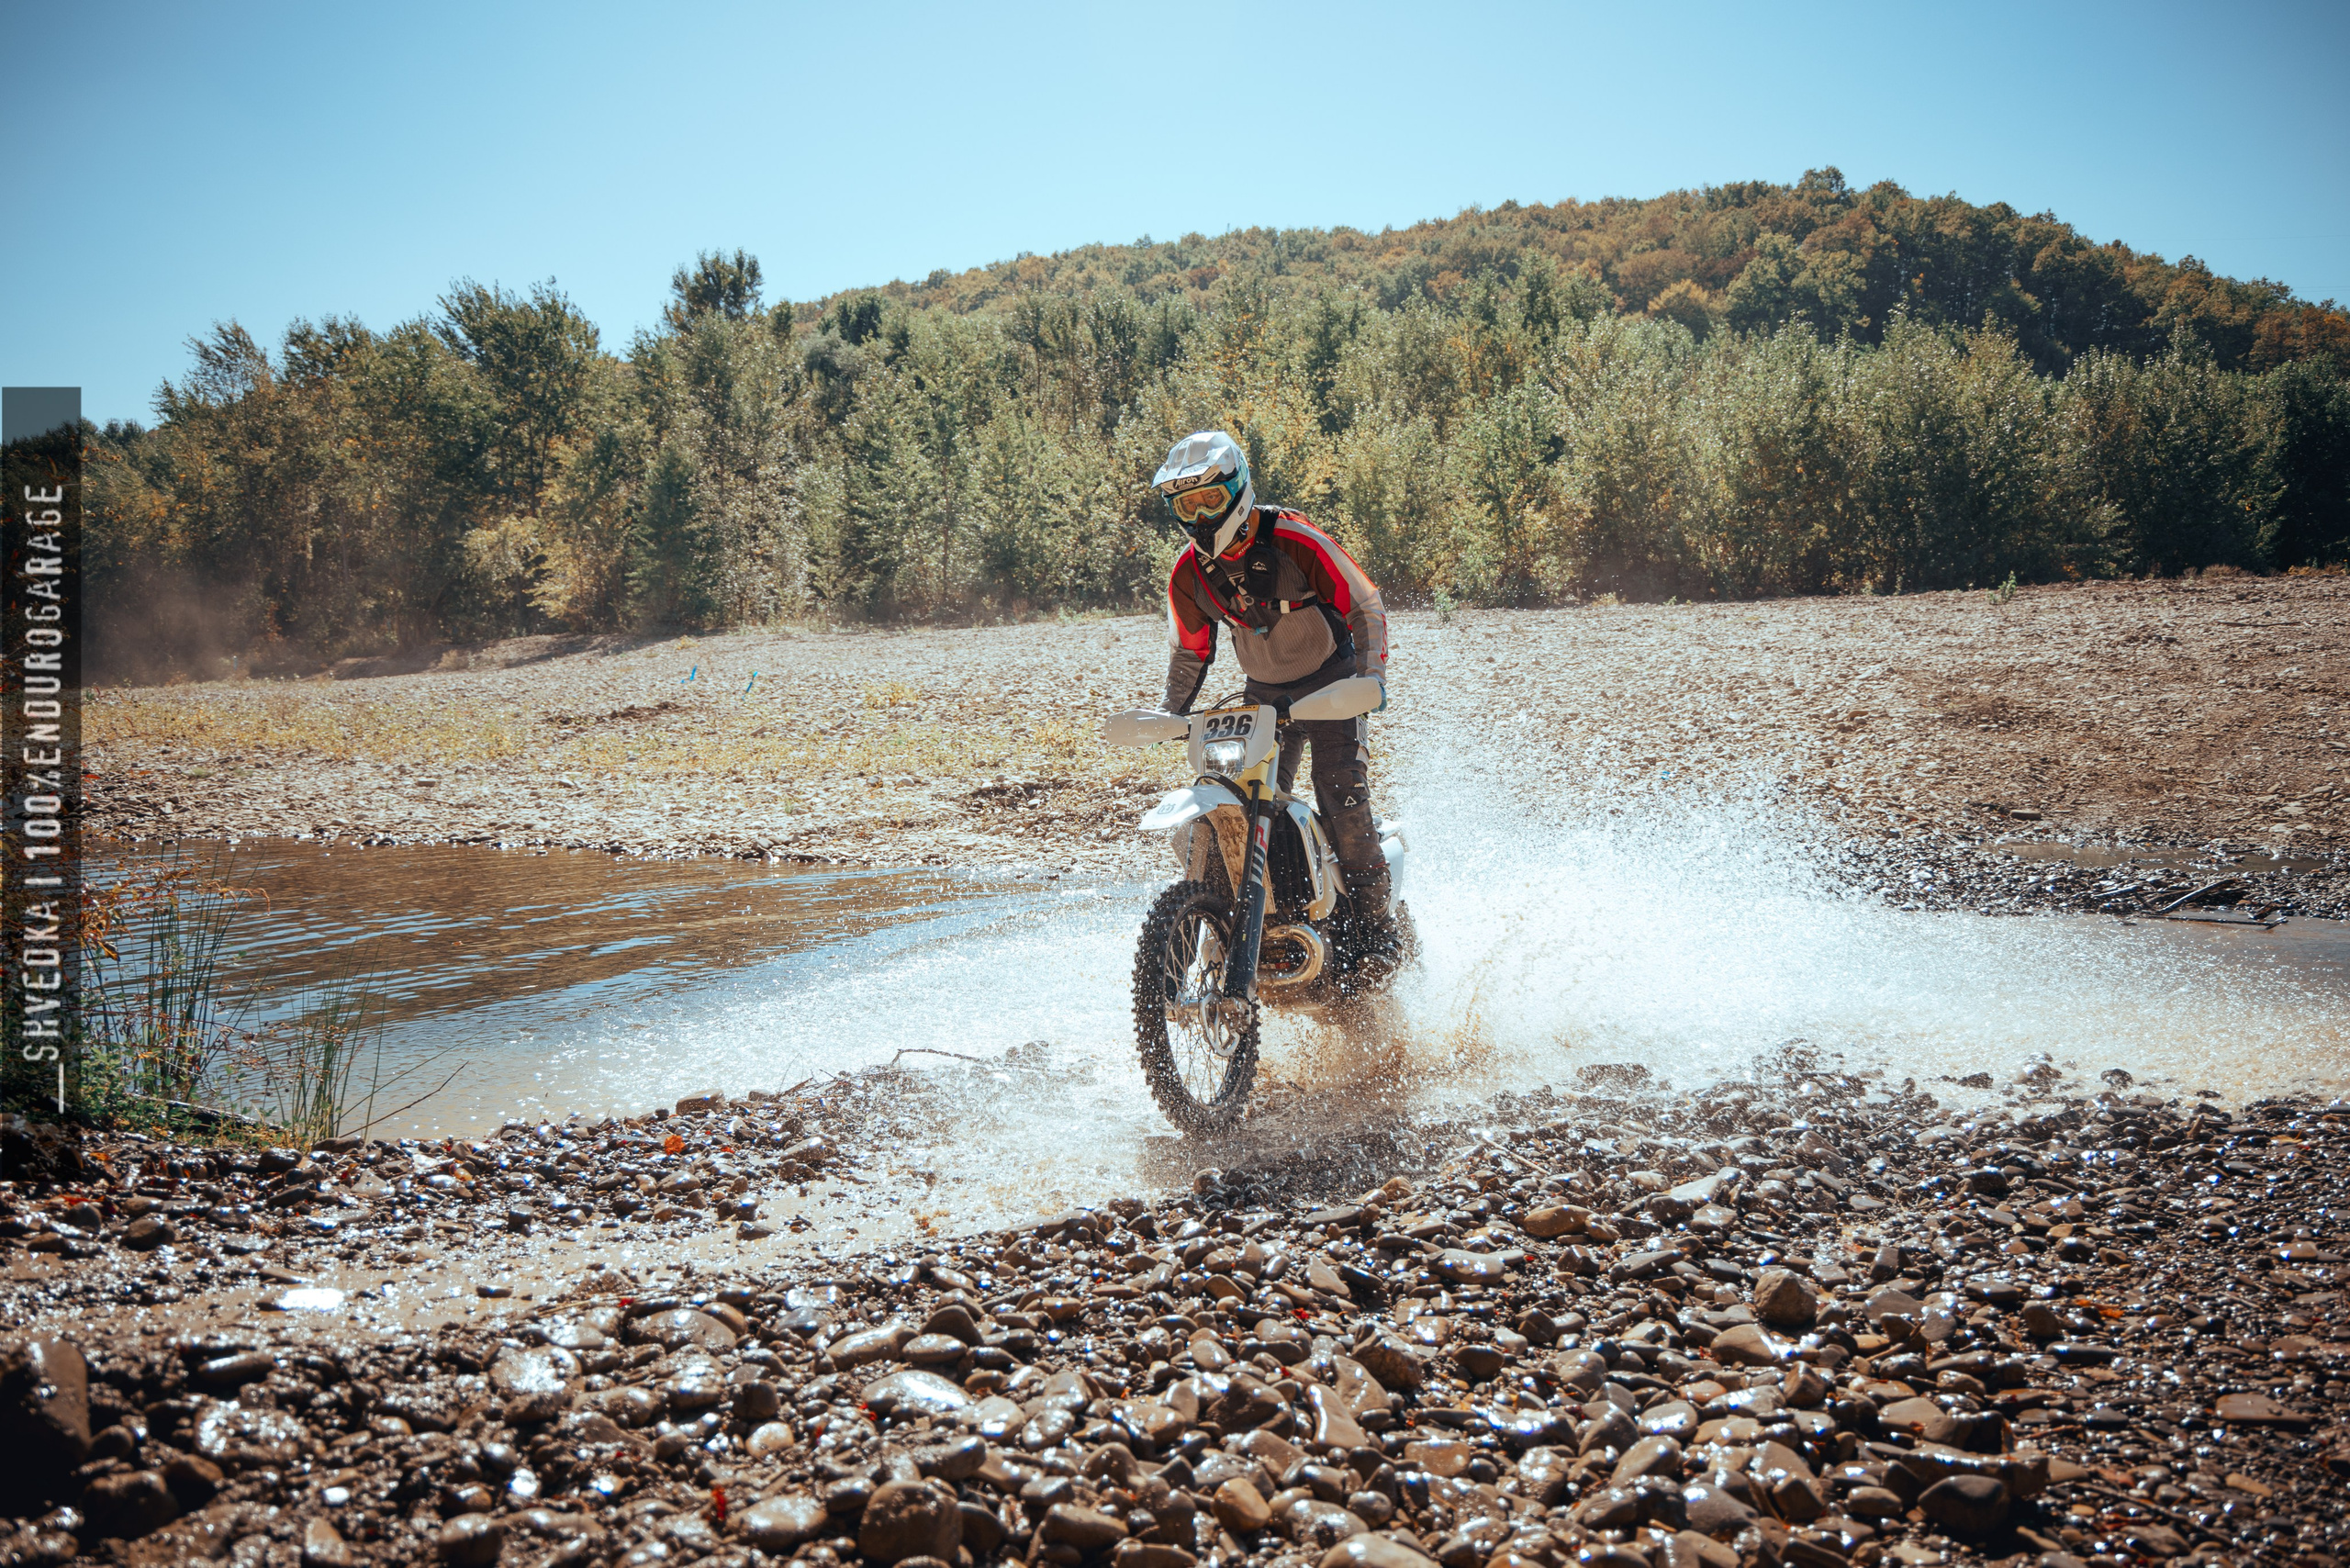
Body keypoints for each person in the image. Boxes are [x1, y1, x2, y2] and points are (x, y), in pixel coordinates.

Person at [1149, 430, 1400, 958]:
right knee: (1237, 802)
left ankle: (1379, 936)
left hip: (1333, 684)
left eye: (1209, 500)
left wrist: (1371, 678)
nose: (1199, 517)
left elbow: (1364, 603)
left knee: (1341, 793)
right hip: (1262, 697)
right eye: (1185, 505)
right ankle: (1231, 931)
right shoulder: (1188, 574)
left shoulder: (1296, 539)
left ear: (1237, 491)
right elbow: (1191, 652)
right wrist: (1171, 713)